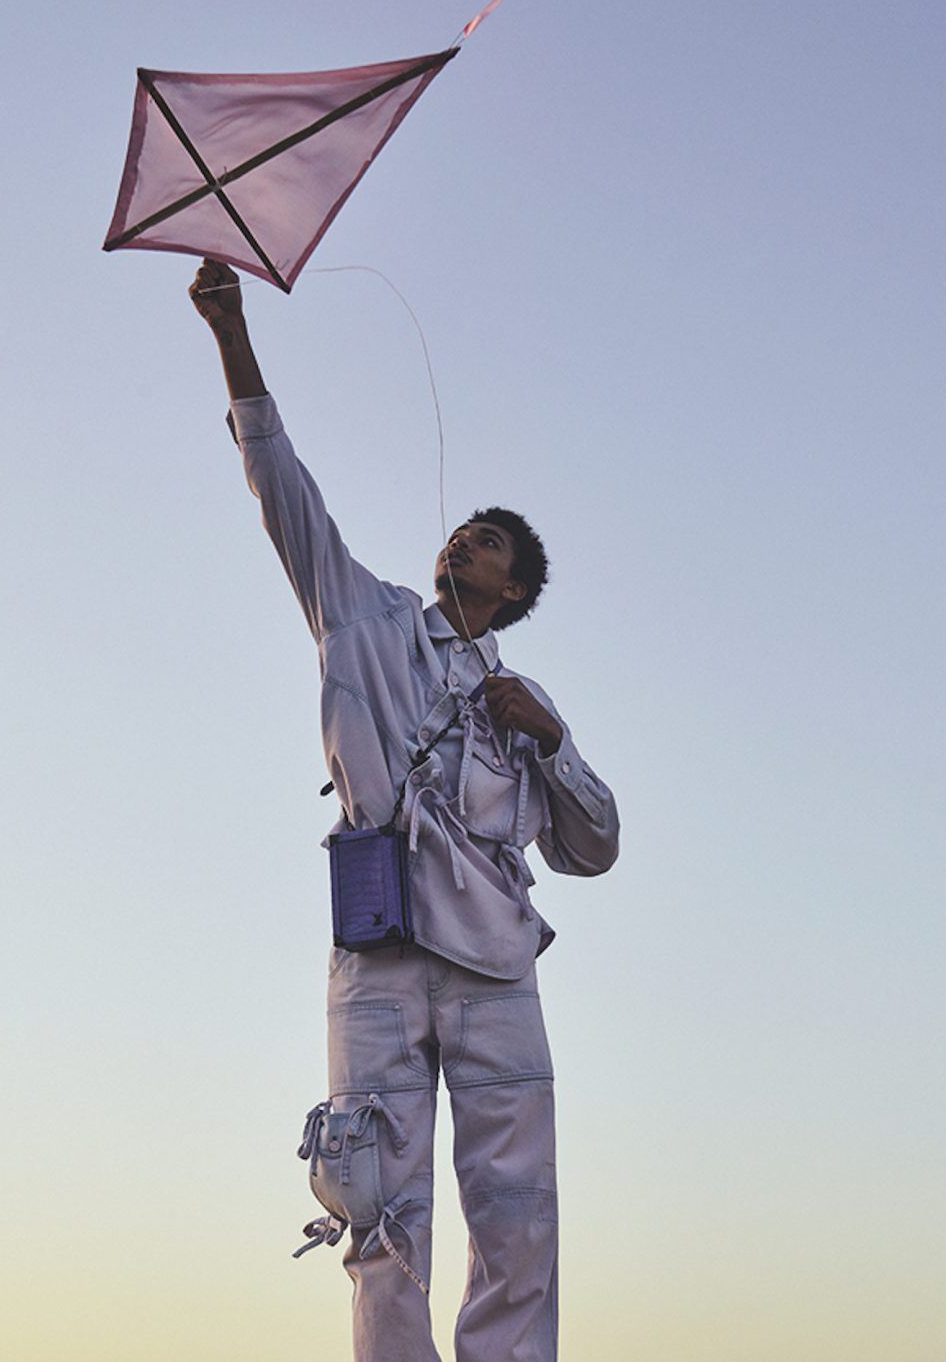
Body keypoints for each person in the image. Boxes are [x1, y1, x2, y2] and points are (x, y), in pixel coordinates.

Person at [190, 257, 619, 1362]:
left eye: (490, 543)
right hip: (377, 959)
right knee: (374, 1203)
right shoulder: (366, 620)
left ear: (514, 592)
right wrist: (233, 336)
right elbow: (282, 487)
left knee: (518, 1213)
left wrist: (554, 745)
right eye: (463, 531)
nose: (464, 542)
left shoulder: (526, 702)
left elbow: (596, 846)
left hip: (495, 969)